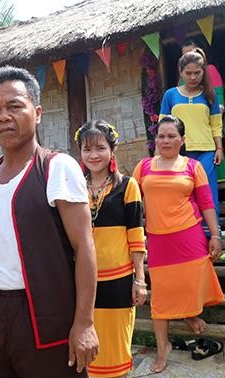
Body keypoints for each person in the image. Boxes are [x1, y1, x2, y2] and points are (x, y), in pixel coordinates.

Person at [0, 66, 99, 378]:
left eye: (15, 106)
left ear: (37, 113)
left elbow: (85, 247)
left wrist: (84, 322)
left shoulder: (57, 168)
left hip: (49, 314)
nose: (3, 116)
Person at [132, 116, 225, 373]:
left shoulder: (193, 166)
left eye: (172, 136)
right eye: (161, 136)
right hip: (158, 240)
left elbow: (206, 203)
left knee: (189, 282)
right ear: (155, 140)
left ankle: (188, 313)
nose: (166, 140)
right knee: (160, 297)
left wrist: (214, 235)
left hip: (190, 236)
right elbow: (132, 203)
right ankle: (163, 350)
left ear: (183, 140)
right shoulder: (144, 167)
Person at [75, 120, 147, 378]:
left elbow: (136, 235)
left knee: (116, 348)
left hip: (118, 279)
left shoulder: (128, 186)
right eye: (87, 149)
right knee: (85, 346)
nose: (93, 155)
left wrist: (139, 280)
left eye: (100, 148)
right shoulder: (75, 189)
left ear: (112, 150)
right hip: (83, 281)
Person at [159, 49, 223, 234]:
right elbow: (163, 125)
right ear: (180, 72)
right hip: (180, 152)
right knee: (182, 192)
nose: (193, 77)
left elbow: (216, 124)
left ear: (204, 72)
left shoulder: (210, 94)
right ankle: (187, 230)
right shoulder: (170, 95)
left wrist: (219, 148)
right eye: (188, 73)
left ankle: (211, 233)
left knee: (207, 192)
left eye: (197, 72)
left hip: (206, 151)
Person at [181, 39, 225, 183]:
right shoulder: (181, 78)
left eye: (190, 52)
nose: (193, 76)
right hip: (189, 126)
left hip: (206, 121)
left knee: (212, 148)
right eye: (184, 54)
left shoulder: (210, 70)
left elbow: (218, 94)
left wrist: (218, 109)